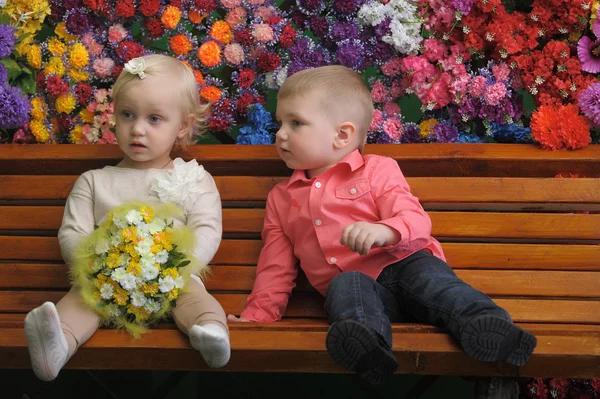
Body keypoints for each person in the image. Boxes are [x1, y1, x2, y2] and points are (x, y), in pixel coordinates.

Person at [229, 65, 537, 385]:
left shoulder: (377, 170)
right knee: (345, 284)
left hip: (404, 265)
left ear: (342, 135)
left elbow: (417, 220)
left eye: (296, 123)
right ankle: (369, 349)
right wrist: (256, 319)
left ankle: (487, 326)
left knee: (435, 283)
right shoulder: (281, 199)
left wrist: (384, 230)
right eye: (280, 122)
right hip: (364, 297)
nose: (280, 134)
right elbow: (275, 269)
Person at [24, 54, 230, 382]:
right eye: (127, 114)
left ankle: (211, 333)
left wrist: (178, 265)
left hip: (172, 279)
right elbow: (72, 232)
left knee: (195, 298)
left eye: (155, 119)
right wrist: (98, 262)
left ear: (184, 125)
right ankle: (59, 343)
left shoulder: (192, 178)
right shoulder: (94, 181)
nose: (137, 129)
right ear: (114, 116)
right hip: (108, 283)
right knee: (81, 298)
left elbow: (206, 227)